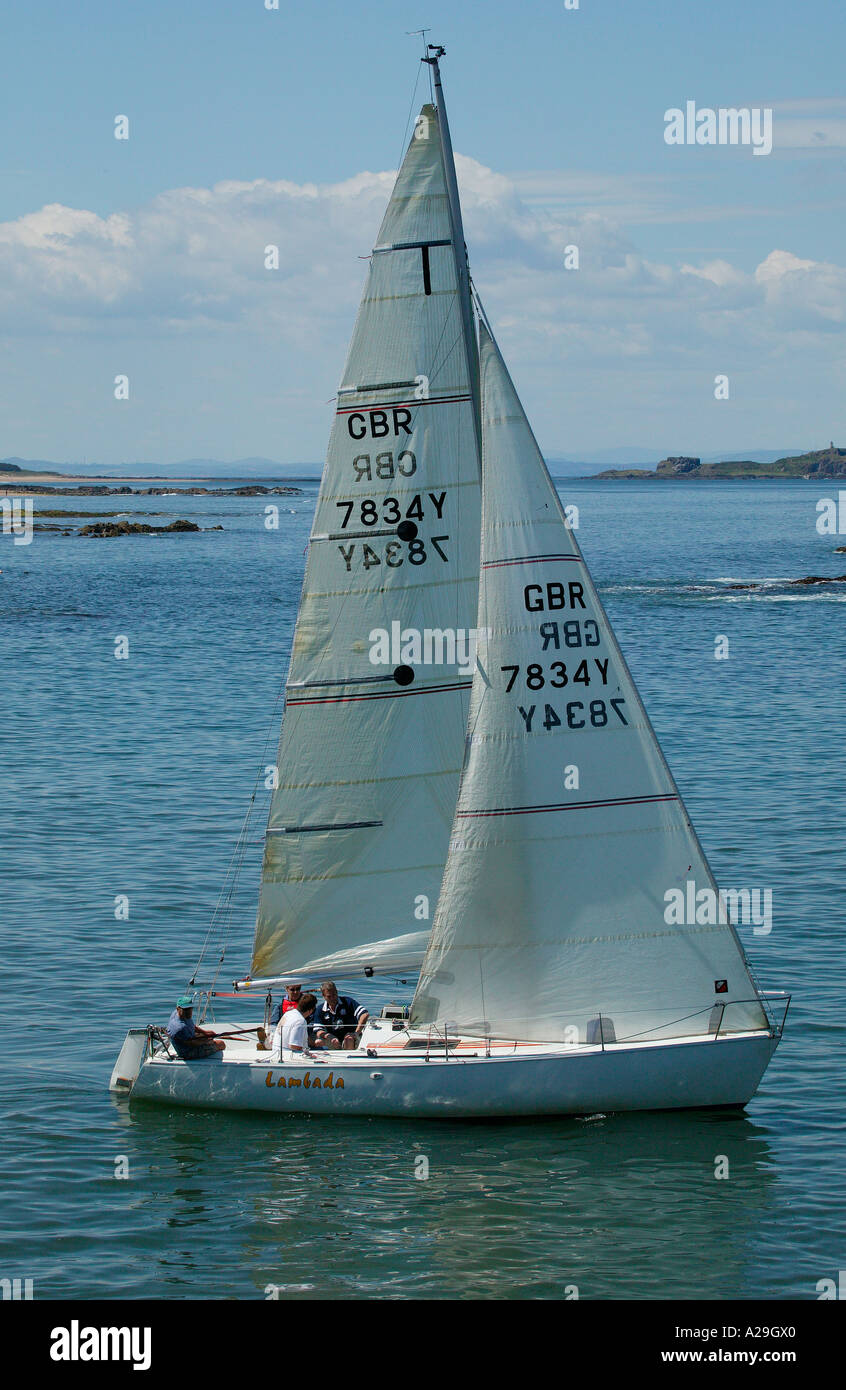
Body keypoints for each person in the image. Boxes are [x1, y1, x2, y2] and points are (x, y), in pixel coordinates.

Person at [312, 980, 369, 1050]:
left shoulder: (348, 1002)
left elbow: (364, 1014)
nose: (332, 998)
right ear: (323, 996)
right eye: (329, 996)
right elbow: (318, 1030)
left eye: (334, 995)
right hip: (332, 1039)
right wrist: (329, 1036)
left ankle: (349, 1058)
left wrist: (356, 1033)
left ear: (337, 992)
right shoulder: (320, 1009)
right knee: (318, 1042)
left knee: (349, 1039)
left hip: (351, 1038)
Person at [273, 992, 319, 1059]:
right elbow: (294, 1046)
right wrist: (309, 1054)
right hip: (287, 1056)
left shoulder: (288, 1013)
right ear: (310, 1010)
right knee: (324, 1049)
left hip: (276, 1051)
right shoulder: (300, 1021)